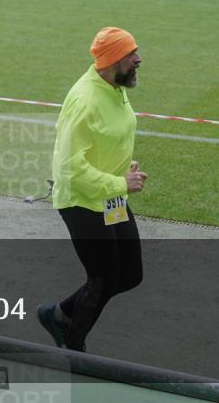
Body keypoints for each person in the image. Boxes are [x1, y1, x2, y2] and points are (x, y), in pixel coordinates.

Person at [37, 27, 146, 352]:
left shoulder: (113, 86)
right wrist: (119, 183)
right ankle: (73, 349)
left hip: (110, 198)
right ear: (112, 60)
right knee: (102, 279)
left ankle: (57, 315)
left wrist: (121, 171)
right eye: (132, 55)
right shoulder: (85, 101)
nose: (139, 59)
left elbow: (107, 138)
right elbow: (70, 168)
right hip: (82, 203)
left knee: (129, 274)